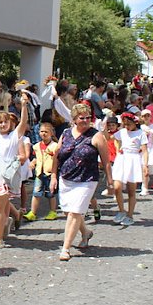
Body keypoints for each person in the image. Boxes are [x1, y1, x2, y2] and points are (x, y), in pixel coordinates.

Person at [51, 104, 113, 261]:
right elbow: (57, 155)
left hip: (87, 179)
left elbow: (106, 161)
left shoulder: (96, 136)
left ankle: (65, 248)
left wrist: (110, 182)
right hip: (66, 177)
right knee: (68, 211)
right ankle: (85, 232)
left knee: (75, 212)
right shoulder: (65, 133)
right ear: (74, 119)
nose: (85, 120)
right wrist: (53, 176)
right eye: (81, 118)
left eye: (87, 117)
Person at [0, 91, 30, 250]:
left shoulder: (14, 137)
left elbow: (24, 122)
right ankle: (5, 221)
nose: (3, 125)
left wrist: (23, 105)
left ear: (10, 123)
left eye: (5, 122)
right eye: (0, 122)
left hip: (4, 175)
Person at [111, 113, 148, 226]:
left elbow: (145, 150)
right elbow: (111, 137)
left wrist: (145, 166)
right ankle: (121, 210)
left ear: (134, 123)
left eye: (129, 124)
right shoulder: (122, 132)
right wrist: (118, 148)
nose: (126, 127)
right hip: (122, 159)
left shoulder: (141, 133)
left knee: (131, 191)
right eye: (125, 124)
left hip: (133, 160)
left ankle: (130, 215)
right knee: (117, 187)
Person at [23, 123, 59, 222]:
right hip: (39, 173)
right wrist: (33, 162)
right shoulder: (36, 146)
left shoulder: (55, 146)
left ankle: (53, 211)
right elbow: (36, 157)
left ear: (51, 133)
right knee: (36, 193)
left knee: (50, 194)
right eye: (42, 131)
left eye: (46, 132)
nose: (43, 134)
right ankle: (33, 212)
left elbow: (58, 159)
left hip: (50, 173)